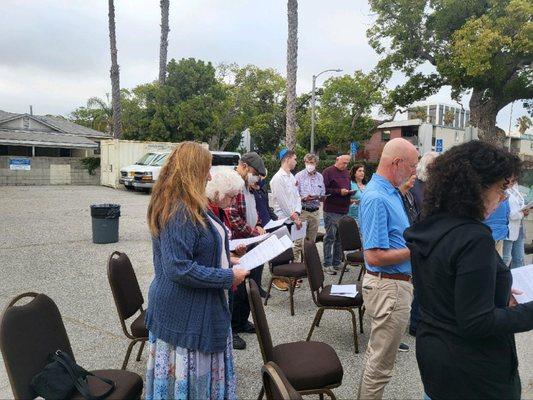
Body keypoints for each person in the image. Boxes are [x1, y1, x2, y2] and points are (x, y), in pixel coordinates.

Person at [404, 141, 533, 400]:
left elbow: (447, 288)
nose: (502, 199)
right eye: (501, 189)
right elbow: (476, 322)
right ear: (475, 188)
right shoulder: (474, 238)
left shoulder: (429, 225)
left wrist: (498, 291)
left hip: (436, 357)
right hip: (473, 371)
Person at [144, 142, 249, 400]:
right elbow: (178, 268)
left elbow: (198, 249)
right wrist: (227, 276)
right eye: (207, 169)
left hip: (191, 308)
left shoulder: (189, 203)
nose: (211, 175)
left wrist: (227, 259)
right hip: (184, 313)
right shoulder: (179, 211)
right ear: (192, 171)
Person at [357, 138, 419, 400]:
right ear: (397, 163)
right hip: (389, 287)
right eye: (412, 166)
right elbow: (373, 255)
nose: (414, 172)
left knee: (378, 360)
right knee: (380, 366)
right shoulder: (376, 198)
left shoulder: (391, 192)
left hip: (393, 285)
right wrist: (417, 249)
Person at [225, 152, 267, 349]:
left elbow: (254, 211)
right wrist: (252, 232)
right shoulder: (232, 185)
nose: (256, 177)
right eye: (254, 172)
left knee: (251, 285)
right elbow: (232, 216)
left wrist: (258, 225)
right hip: (238, 245)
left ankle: (242, 321)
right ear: (243, 166)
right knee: (237, 289)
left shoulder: (249, 188)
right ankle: (231, 327)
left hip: (251, 240)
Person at [406, 151, 438, 337]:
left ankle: (421, 319)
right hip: (418, 239)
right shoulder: (414, 186)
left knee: (426, 283)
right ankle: (416, 323)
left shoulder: (433, 186)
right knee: (420, 283)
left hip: (430, 238)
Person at [270, 148, 303, 290]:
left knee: (289, 247)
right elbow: (283, 202)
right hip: (282, 219)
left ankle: (287, 275)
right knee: (279, 250)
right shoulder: (277, 178)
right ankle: (277, 278)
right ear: (287, 158)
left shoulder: (292, 177)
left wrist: (297, 212)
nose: (296, 161)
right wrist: (294, 217)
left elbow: (297, 197)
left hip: (293, 218)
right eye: (294, 158)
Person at [322, 154, 352, 275]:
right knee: (330, 237)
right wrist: (339, 191)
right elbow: (324, 190)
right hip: (331, 210)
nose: (345, 165)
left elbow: (348, 186)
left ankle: (337, 262)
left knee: (340, 238)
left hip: (343, 209)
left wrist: (349, 192)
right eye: (344, 162)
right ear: (337, 160)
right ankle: (327, 264)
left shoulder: (346, 173)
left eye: (347, 163)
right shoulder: (328, 172)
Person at [294, 153, 325, 262]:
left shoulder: (320, 177)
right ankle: (296, 266)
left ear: (316, 163)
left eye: (312, 163)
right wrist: (303, 198)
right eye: (307, 162)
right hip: (303, 211)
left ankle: (308, 267)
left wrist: (320, 197)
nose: (309, 165)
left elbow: (323, 193)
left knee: (311, 242)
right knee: (298, 241)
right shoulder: (298, 176)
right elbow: (294, 195)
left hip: (315, 212)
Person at [503, 181, 529, 269]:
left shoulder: (515, 186)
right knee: (506, 259)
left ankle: (518, 280)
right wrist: (522, 214)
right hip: (508, 229)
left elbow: (519, 203)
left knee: (519, 258)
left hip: (519, 227)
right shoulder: (503, 189)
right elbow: (510, 214)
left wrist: (526, 208)